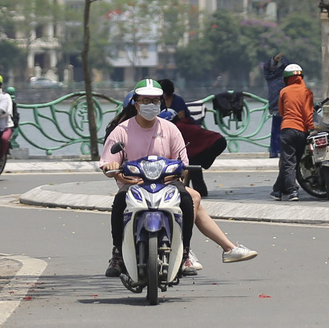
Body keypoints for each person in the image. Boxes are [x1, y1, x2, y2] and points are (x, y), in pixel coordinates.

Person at [101, 80, 256, 277]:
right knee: (119, 201)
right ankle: (118, 254)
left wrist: (175, 174)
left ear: (161, 104)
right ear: (136, 103)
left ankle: (184, 252)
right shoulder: (121, 131)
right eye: (145, 100)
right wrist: (114, 168)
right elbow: (108, 164)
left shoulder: (170, 129)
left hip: (166, 184)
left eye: (155, 100)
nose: (150, 104)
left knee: (188, 198)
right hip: (134, 186)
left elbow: (182, 163)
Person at [269, 64, 314, 200]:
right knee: (294, 161)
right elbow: (308, 112)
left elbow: (282, 112)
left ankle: (291, 191)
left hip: (287, 129)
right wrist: (311, 127)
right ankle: (277, 190)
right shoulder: (306, 91)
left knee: (288, 161)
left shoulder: (284, 92)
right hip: (302, 130)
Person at [258, 54, 288, 159]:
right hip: (279, 106)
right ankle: (277, 152)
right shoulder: (273, 77)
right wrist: (276, 60)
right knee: (279, 130)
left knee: (280, 130)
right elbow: (267, 67)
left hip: (283, 106)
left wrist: (279, 60)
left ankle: (277, 152)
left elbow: (268, 67)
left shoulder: (274, 77)